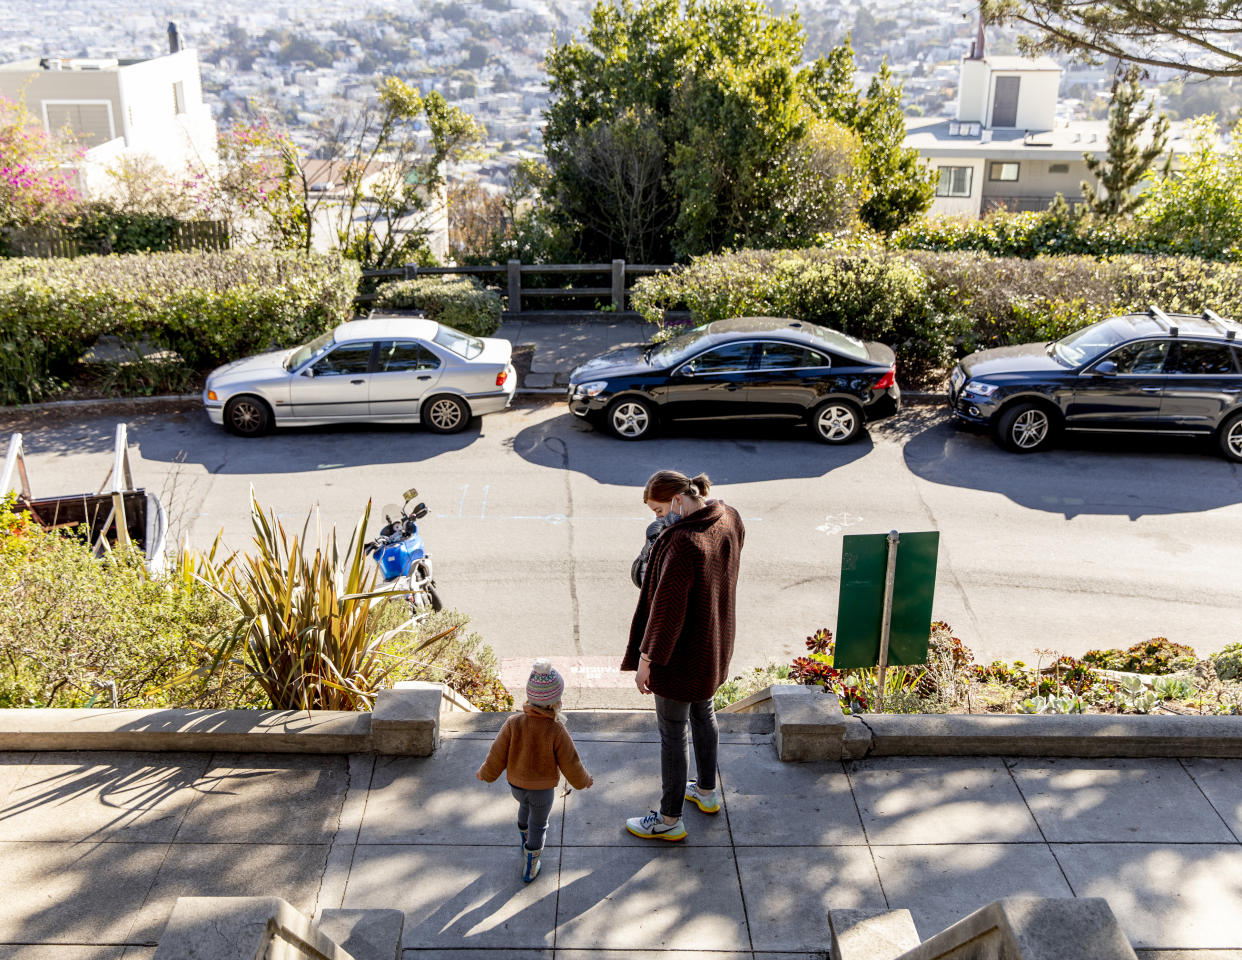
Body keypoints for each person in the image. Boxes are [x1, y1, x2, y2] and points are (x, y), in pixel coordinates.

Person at [620, 470, 745, 841]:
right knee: (704, 714)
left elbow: (666, 613)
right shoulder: (729, 517)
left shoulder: (683, 544)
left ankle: (669, 819)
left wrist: (647, 661)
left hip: (681, 656)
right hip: (714, 644)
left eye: (660, 510)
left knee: (672, 734)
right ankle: (706, 792)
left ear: (678, 499)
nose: (658, 519)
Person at [476, 659, 593, 881]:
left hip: (516, 786)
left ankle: (524, 841)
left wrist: (486, 772)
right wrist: (583, 780)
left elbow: (497, 753)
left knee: (524, 807)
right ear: (556, 701)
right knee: (539, 823)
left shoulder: (513, 723)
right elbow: (571, 761)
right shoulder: (556, 729)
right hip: (543, 790)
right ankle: (531, 864)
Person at [630, 493, 673, 588]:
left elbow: (648, 582)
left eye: (659, 510)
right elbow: (640, 578)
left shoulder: (682, 539)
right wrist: (646, 553)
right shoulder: (664, 531)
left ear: (677, 500)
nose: (658, 517)